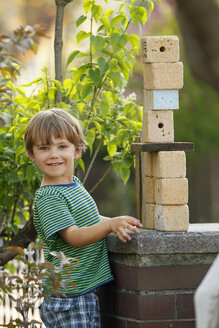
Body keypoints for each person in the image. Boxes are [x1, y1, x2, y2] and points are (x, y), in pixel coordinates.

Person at [24, 108, 142, 328]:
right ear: (32, 155)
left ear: (77, 151)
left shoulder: (73, 185)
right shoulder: (49, 196)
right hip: (70, 298)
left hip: (79, 292)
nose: (53, 154)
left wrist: (116, 222)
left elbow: (88, 218)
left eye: (62, 146)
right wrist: (108, 225)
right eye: (44, 148)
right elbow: (74, 236)